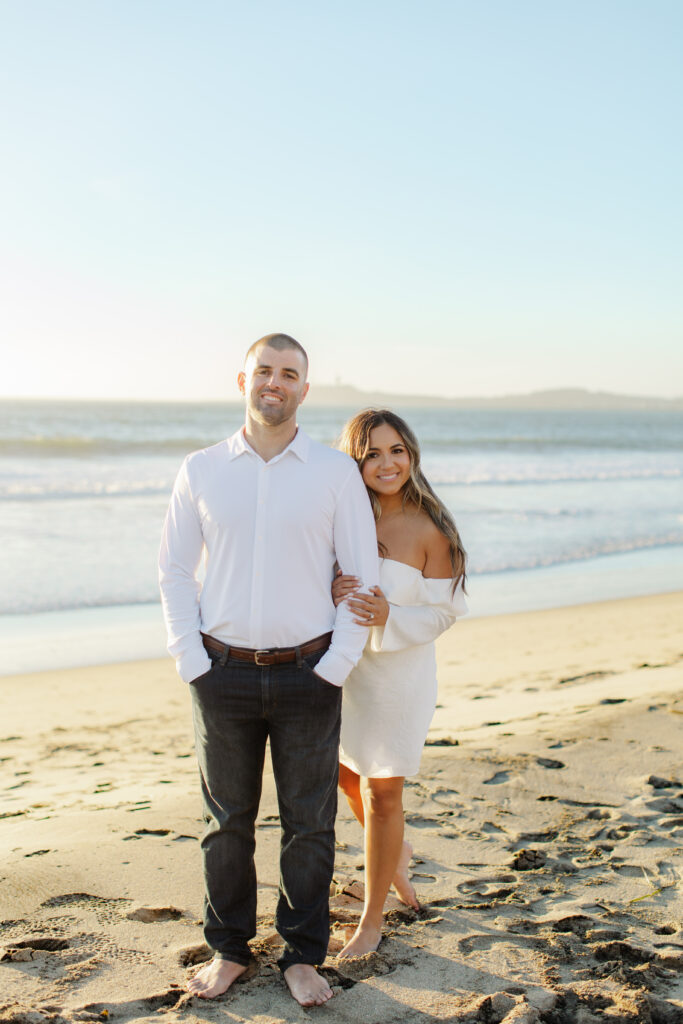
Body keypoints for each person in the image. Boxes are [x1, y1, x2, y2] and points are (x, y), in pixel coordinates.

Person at [158, 335, 379, 1005]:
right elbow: (171, 569)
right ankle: (228, 950)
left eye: (289, 374)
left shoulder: (334, 473)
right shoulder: (201, 469)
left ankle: (301, 956)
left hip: (308, 673)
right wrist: (191, 660)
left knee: (308, 823)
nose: (274, 383)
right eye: (264, 371)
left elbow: (360, 574)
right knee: (225, 822)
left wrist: (335, 664)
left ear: (304, 390)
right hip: (218, 673)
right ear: (243, 380)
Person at [332, 409, 467, 958]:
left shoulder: (432, 528)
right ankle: (397, 859)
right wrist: (332, 586)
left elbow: (447, 612)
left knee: (382, 792)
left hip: (399, 676)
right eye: (372, 454)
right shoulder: (345, 518)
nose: (386, 464)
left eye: (396, 451)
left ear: (411, 455)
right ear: (355, 461)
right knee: (344, 776)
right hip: (348, 670)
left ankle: (371, 921)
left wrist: (390, 613)